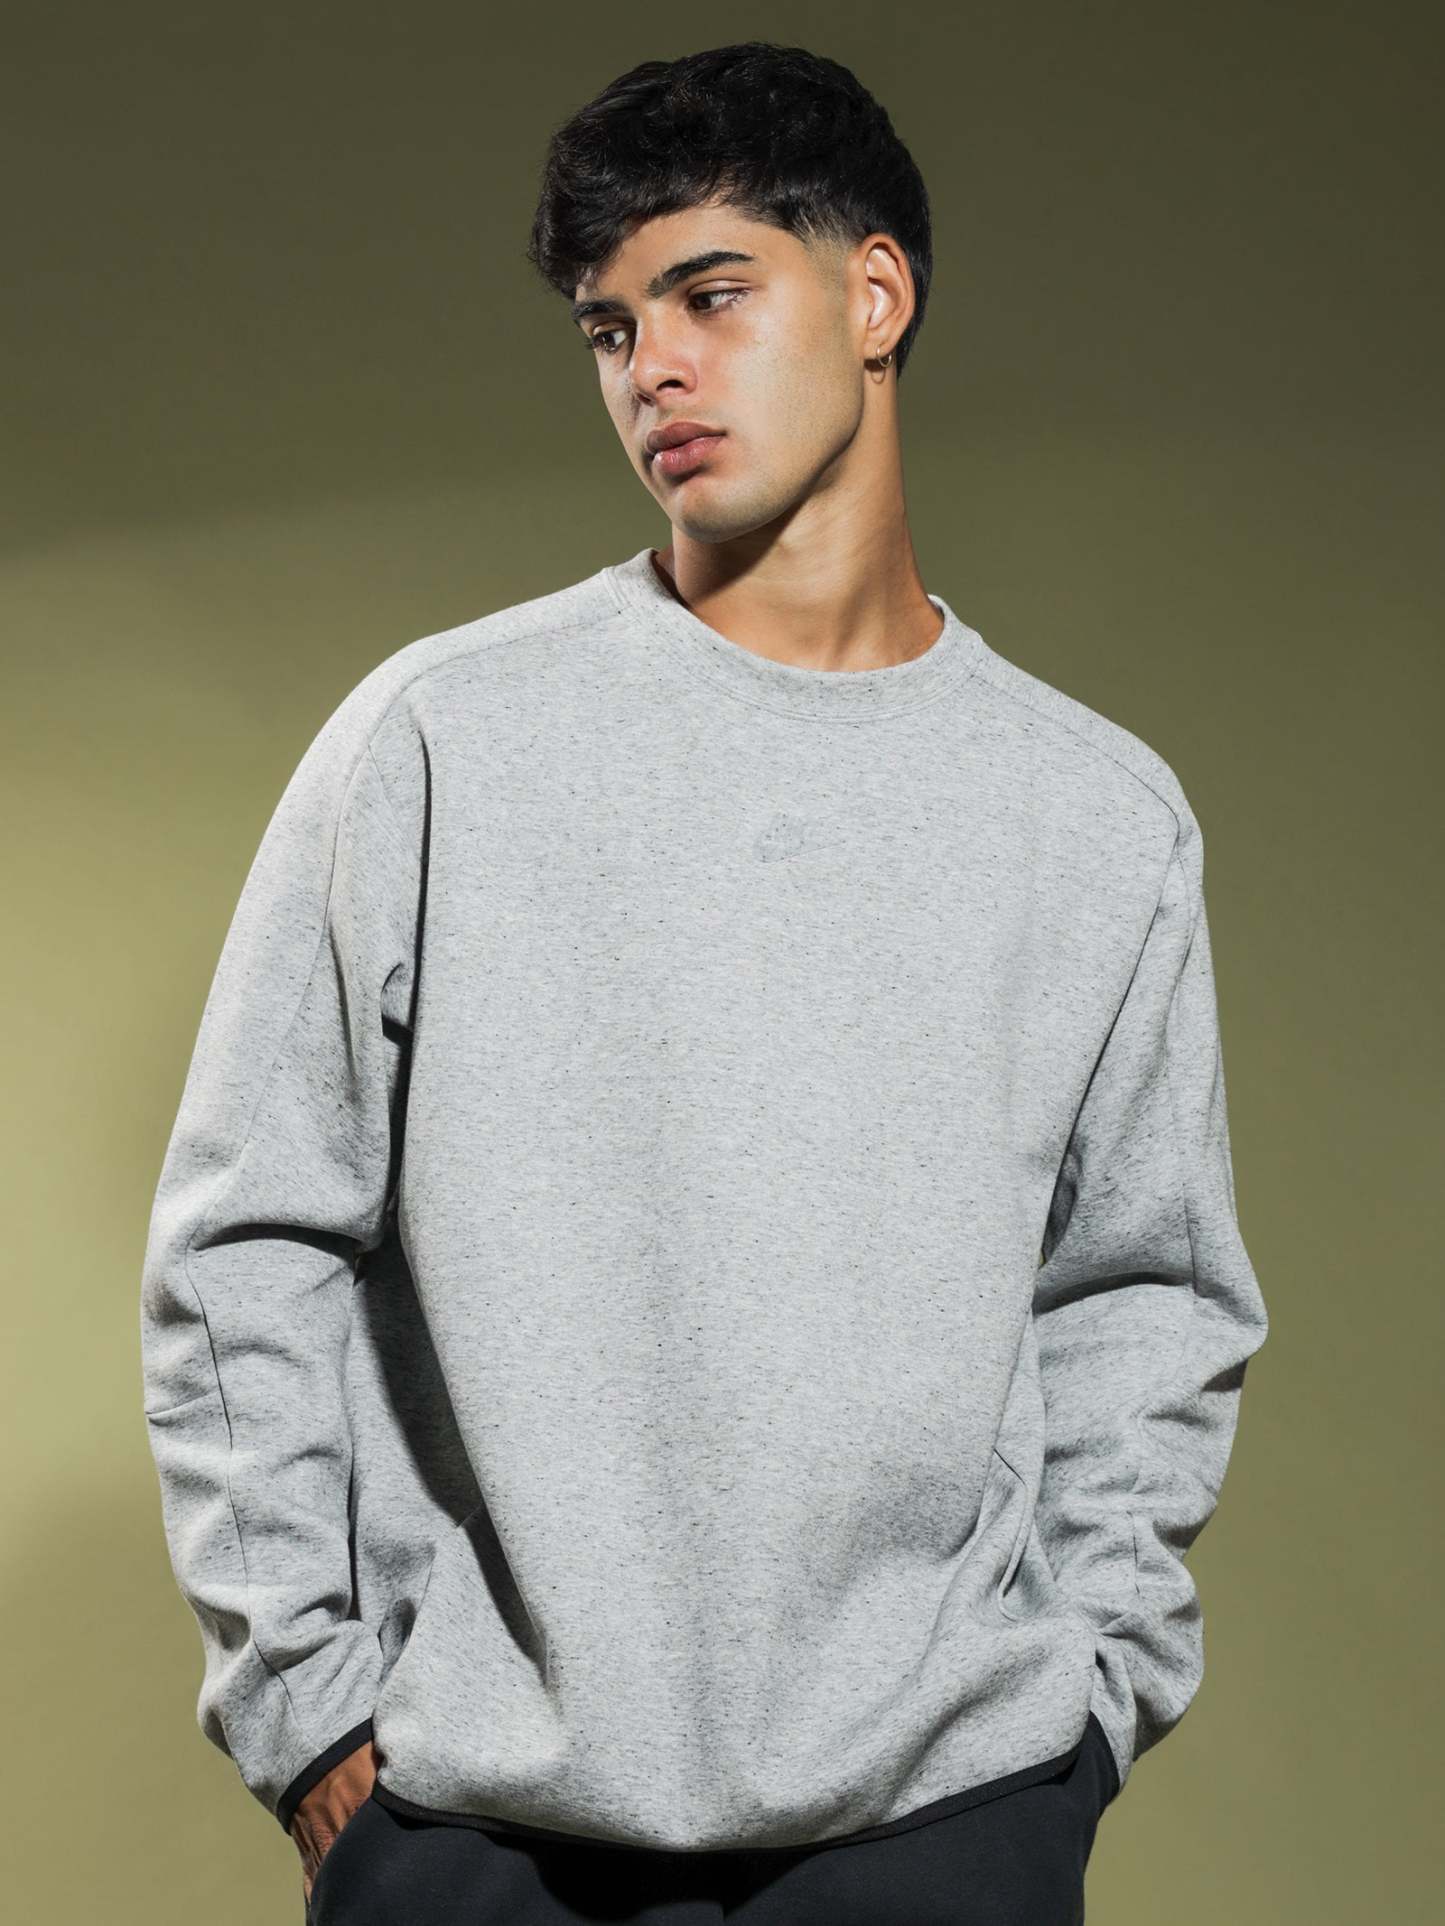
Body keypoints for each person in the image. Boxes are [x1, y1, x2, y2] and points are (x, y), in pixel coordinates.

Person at [140, 39, 1269, 1926]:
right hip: (481, 1830)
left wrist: (1089, 1699)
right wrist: (305, 1714)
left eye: (708, 294)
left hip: (948, 1815)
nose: (649, 368)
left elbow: (1144, 1291)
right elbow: (242, 1241)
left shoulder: (1096, 817)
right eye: (609, 328)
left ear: (875, 295)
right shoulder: (440, 740)